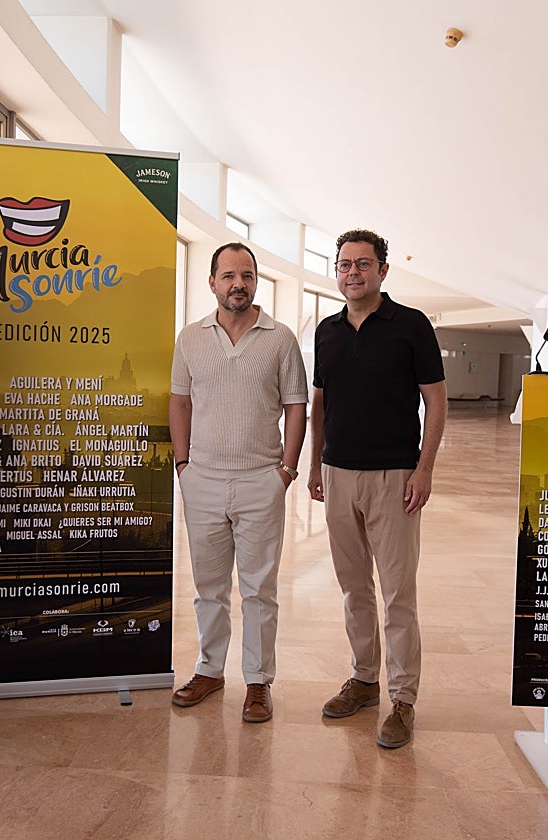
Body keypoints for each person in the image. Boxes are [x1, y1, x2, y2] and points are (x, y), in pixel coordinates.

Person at [307, 228, 447, 749]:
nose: (353, 273)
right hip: (338, 475)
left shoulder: (411, 325)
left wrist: (424, 469)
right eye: (344, 264)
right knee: (353, 589)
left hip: (394, 477)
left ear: (382, 270)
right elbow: (320, 404)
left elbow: (436, 401)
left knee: (397, 593)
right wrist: (316, 465)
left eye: (363, 264)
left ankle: (403, 699)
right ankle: (364, 680)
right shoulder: (327, 331)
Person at [169, 242, 308, 723]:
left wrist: (285, 472)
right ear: (212, 282)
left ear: (255, 282)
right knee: (208, 587)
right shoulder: (190, 338)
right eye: (228, 275)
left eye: (246, 275)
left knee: (259, 590)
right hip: (202, 480)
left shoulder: (280, 338)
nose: (238, 284)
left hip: (260, 481)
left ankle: (258, 681)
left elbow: (296, 407)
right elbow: (180, 402)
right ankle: (209, 670)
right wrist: (183, 466)